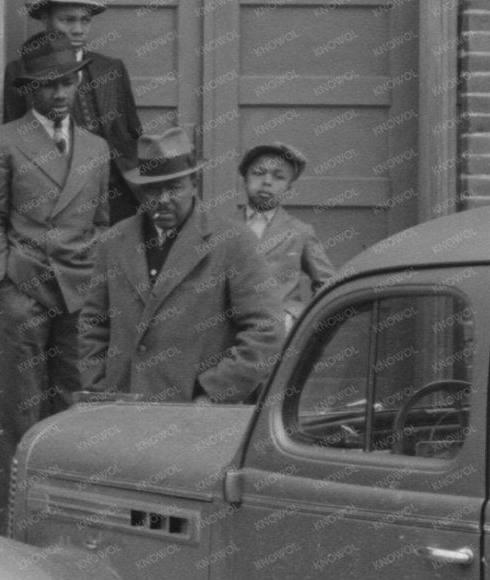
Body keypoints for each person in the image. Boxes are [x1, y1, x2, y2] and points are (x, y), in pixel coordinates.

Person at [0, 31, 112, 523]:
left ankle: (66, 516)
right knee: (18, 407)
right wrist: (2, 276)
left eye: (67, 84)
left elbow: (100, 222)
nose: (59, 94)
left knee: (73, 406)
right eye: (49, 85)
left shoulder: (96, 148)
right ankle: (16, 517)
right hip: (23, 289)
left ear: (77, 85)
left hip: (79, 290)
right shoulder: (3, 141)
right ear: (30, 88)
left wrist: (95, 276)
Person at [76, 127, 284, 402]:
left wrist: (212, 395)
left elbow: (266, 330)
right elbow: (93, 324)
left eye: (173, 188)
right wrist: (101, 388)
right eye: (152, 190)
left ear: (194, 182)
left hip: (193, 418)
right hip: (121, 415)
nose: (162, 200)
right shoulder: (113, 242)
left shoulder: (234, 242)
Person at [0, 0, 143, 224]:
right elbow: (14, 138)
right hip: (53, 200)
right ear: (45, 20)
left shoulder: (111, 69)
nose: (78, 29)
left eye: (85, 20)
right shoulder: (20, 72)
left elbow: (132, 133)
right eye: (67, 20)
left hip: (114, 198)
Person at [238, 141, 336, 335]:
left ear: (289, 188)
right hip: (231, 334)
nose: (267, 181)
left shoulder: (300, 231)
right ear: (244, 180)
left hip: (279, 335)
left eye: (279, 177)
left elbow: (328, 284)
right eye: (258, 173)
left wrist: (297, 316)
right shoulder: (221, 228)